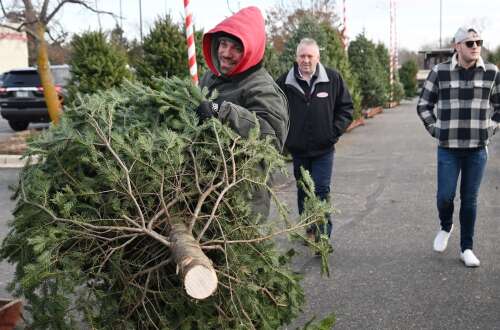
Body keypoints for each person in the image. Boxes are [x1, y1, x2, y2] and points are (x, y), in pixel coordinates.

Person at [194, 6, 289, 219]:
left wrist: (223, 111)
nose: (225, 53)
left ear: (250, 49)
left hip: (243, 198)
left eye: (235, 47)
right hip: (205, 190)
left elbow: (271, 139)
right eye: (223, 44)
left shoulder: (262, 88)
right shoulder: (211, 78)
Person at [417, 27, 500, 267]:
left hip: (477, 149)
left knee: (470, 199)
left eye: (478, 42)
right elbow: (423, 105)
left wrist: (490, 128)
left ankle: (466, 248)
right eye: (469, 43)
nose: (475, 46)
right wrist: (436, 130)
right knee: (445, 196)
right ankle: (446, 225)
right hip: (448, 148)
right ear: (457, 46)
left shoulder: (492, 73)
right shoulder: (440, 72)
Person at [276, 38, 354, 242]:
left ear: (317, 58)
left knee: (321, 189)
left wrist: (333, 132)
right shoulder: (284, 82)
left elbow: (346, 109)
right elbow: (275, 112)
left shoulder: (333, 79)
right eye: (302, 56)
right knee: (303, 190)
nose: (306, 60)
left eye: (310, 56)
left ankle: (323, 236)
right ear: (296, 57)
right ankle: (308, 225)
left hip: (324, 149)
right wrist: (286, 139)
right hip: (299, 150)